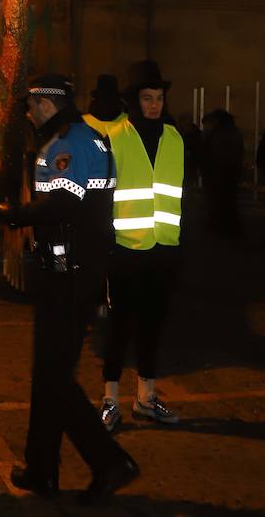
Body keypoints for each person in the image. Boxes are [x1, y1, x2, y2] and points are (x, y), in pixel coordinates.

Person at [6, 73, 139, 504]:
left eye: (31, 105)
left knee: (54, 379)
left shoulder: (68, 143)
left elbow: (64, 202)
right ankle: (42, 468)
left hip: (69, 276)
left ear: (47, 103)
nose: (28, 112)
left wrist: (15, 214)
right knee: (48, 377)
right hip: (72, 271)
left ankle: (109, 462)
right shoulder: (84, 137)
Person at [82, 63, 185, 431]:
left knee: (152, 326)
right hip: (125, 249)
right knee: (120, 327)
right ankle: (110, 399)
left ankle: (146, 397)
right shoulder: (115, 137)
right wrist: (104, 247)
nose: (154, 105)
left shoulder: (175, 138)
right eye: (147, 98)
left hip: (163, 248)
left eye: (159, 98)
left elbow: (179, 196)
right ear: (134, 101)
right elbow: (101, 197)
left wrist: (179, 245)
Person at [200, 108, 244, 236]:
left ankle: (222, 226)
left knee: (219, 200)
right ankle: (229, 226)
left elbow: (212, 153)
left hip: (218, 172)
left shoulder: (218, 134)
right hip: (230, 172)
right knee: (229, 201)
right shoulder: (234, 132)